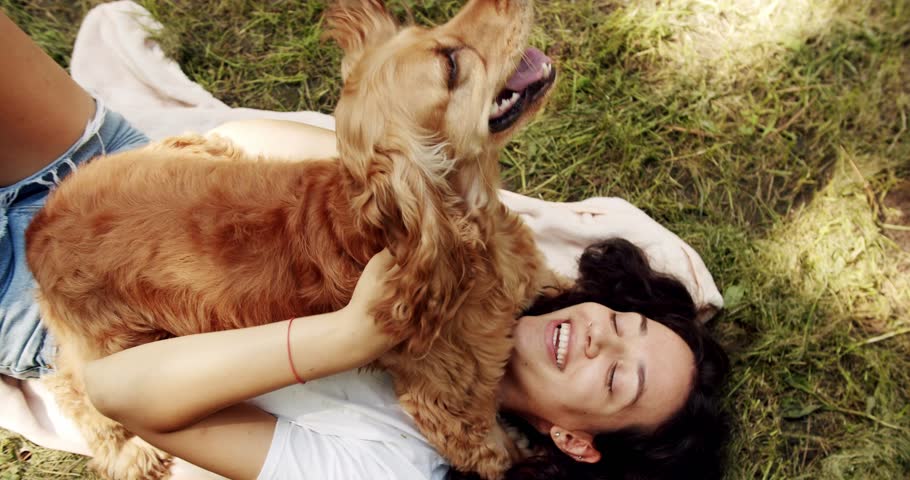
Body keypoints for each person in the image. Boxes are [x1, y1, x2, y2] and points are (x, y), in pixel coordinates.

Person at [0, 10, 730, 480]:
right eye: (625, 324)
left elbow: (116, 392)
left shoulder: (396, 463)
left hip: (56, 301)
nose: (600, 338)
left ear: (574, 441)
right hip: (125, 171)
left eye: (616, 380)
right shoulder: (501, 252)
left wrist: (351, 335)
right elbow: (240, 143)